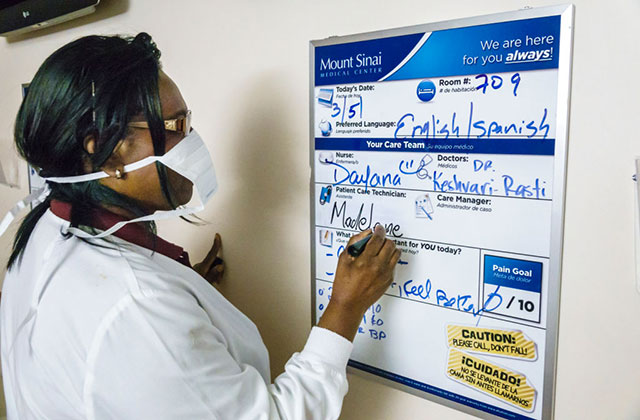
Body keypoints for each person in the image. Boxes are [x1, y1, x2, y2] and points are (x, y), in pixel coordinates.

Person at [0, 33, 400, 419]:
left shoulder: (47, 228)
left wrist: (180, 285)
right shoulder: (140, 309)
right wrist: (346, 307)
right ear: (103, 150)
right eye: (175, 127)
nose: (193, 141)